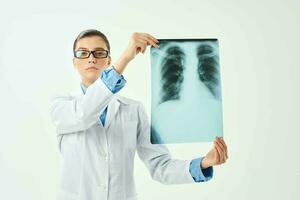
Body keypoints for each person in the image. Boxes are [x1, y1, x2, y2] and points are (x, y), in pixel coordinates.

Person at [50, 29, 228, 200]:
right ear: (74, 62)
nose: (91, 59)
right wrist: (126, 57)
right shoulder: (61, 105)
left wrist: (204, 162)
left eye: (99, 53)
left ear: (108, 60)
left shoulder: (133, 110)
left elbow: (160, 166)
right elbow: (85, 113)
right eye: (83, 53)